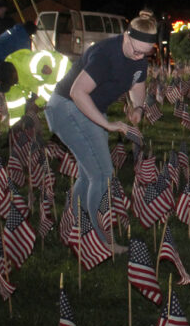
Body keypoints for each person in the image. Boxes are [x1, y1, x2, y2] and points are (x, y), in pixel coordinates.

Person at [44, 16, 155, 249]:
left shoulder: (139, 57)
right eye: (136, 51)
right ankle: (98, 241)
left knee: (90, 174)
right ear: (126, 36)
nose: (139, 57)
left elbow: (138, 84)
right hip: (66, 107)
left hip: (90, 109)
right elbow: (78, 92)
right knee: (102, 174)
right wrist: (108, 125)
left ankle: (74, 226)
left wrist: (137, 107)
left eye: (145, 54)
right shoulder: (104, 55)